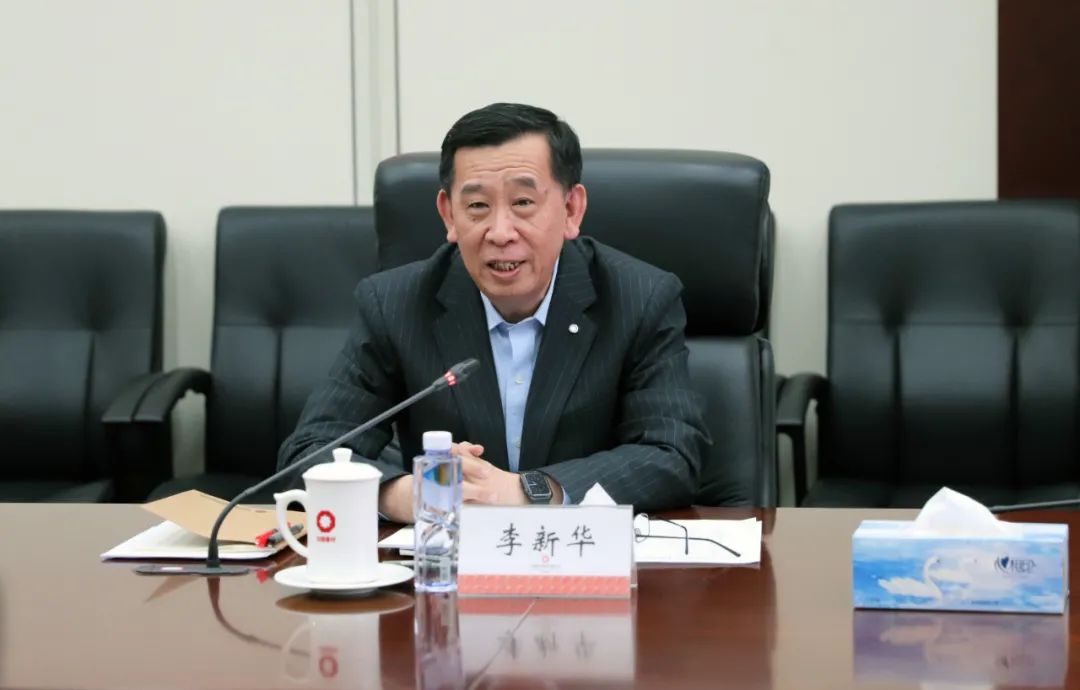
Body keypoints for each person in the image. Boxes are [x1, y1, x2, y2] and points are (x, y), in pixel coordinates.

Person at [278, 102, 708, 522]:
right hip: (447, 560)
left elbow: (672, 454)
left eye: (523, 203)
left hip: (584, 555)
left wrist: (526, 491)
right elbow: (308, 452)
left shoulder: (639, 298)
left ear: (571, 209)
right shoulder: (395, 303)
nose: (500, 233)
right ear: (449, 215)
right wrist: (403, 494)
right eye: (478, 206)